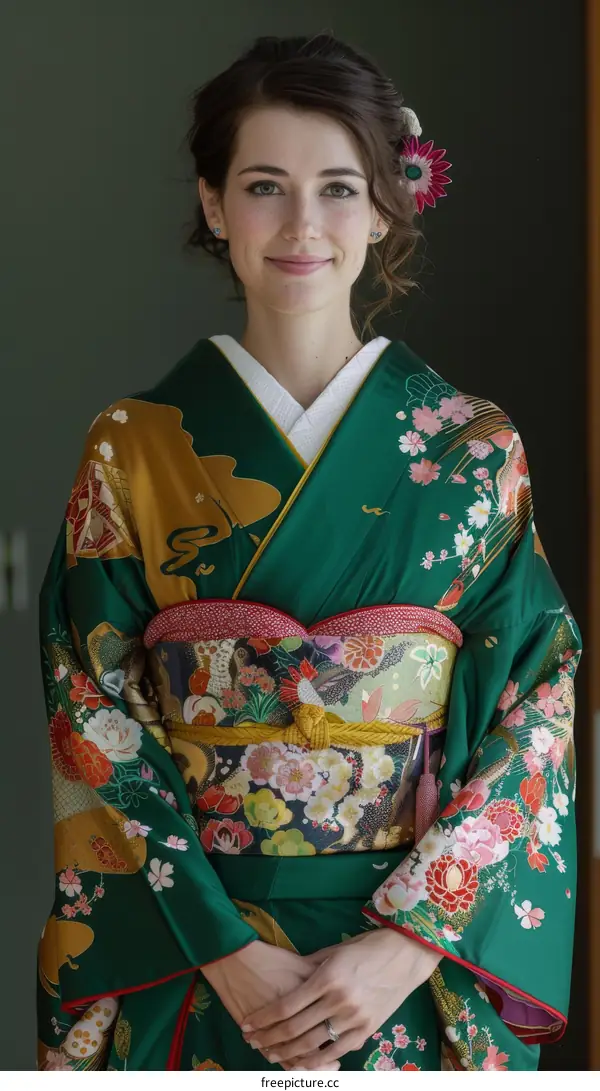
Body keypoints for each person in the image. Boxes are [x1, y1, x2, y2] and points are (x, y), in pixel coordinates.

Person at [37, 32, 580, 1073]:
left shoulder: (474, 448)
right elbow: (88, 707)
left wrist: (410, 939)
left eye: (338, 189)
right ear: (212, 205)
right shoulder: (132, 446)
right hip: (197, 946)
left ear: (384, 207)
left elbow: (537, 701)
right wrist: (225, 946)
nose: (301, 227)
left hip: (402, 963)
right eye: (263, 186)